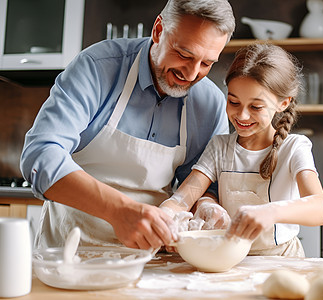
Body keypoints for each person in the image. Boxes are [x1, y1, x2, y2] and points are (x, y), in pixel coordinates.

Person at [20, 0, 235, 250]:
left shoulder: (210, 104)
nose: (191, 73)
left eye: (207, 63)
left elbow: (202, 183)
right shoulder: (98, 68)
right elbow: (40, 156)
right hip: (69, 253)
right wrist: (119, 211)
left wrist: (207, 205)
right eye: (184, 54)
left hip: (153, 261)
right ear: (158, 30)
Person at [160, 43, 323, 257]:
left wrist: (271, 212)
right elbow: (184, 198)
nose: (242, 115)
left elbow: (320, 209)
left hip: (282, 259)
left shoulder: (294, 147)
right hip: (230, 258)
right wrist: (165, 216)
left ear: (283, 103)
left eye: (255, 107)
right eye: (233, 102)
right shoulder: (220, 147)